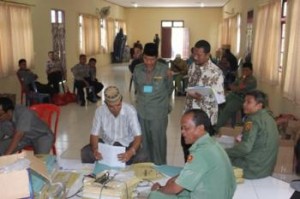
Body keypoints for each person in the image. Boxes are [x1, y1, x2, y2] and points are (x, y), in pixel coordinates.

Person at [148, 109, 236, 199]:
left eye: (186, 128)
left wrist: (159, 189)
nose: (182, 132)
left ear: (200, 128)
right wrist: (177, 179)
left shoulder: (200, 153)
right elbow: (193, 171)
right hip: (223, 195)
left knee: (154, 196)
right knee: (181, 188)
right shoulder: (212, 143)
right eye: (182, 128)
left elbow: (175, 188)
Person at [182, 40, 225, 161]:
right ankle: (188, 176)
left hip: (204, 120)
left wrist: (203, 97)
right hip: (189, 116)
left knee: (202, 155)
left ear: (207, 55)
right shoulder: (192, 67)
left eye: (199, 55)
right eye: (194, 54)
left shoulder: (216, 72)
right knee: (187, 151)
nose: (195, 57)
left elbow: (221, 98)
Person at [133, 42, 173, 165]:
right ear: (142, 56)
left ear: (157, 57)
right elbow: (137, 88)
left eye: (152, 59)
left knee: (158, 142)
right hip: (142, 111)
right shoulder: (137, 69)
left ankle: (160, 167)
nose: (148, 62)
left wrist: (162, 102)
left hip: (158, 112)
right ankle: (148, 167)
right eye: (146, 59)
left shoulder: (164, 70)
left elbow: (169, 89)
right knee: (144, 142)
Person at [80, 86, 142, 164]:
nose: (116, 109)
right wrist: (95, 150)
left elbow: (138, 136)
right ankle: (92, 175)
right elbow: (94, 135)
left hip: (127, 144)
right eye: (111, 107)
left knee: (141, 156)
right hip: (107, 144)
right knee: (86, 152)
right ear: (106, 104)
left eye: (118, 105)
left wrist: (131, 152)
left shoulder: (130, 111)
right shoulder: (100, 111)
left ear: (121, 100)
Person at [226, 90, 279, 179]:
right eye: (244, 101)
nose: (244, 104)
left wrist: (225, 152)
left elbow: (245, 148)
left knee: (222, 158)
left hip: (253, 169)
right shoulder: (269, 118)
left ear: (259, 105)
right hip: (266, 169)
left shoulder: (252, 120)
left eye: (249, 102)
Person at [215, 62, 257, 130]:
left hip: (241, 99)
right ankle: (217, 123)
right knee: (221, 104)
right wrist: (236, 87)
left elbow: (240, 87)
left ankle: (216, 128)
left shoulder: (252, 80)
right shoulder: (241, 77)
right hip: (233, 95)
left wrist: (238, 86)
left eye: (247, 70)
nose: (244, 72)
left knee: (227, 109)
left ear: (251, 71)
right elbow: (231, 86)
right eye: (243, 70)